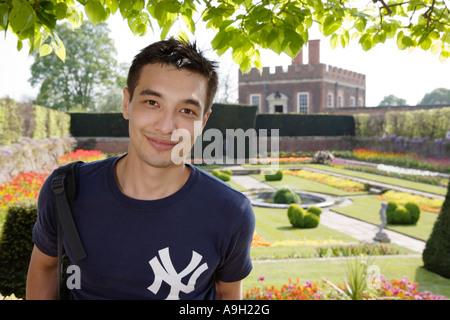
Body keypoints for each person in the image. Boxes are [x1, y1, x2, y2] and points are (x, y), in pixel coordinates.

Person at [26, 38, 255, 300]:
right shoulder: (66, 189)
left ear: (203, 121)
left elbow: (227, 294)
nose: (167, 126)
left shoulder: (230, 211)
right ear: (127, 103)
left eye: (186, 110)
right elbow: (45, 267)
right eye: (152, 103)